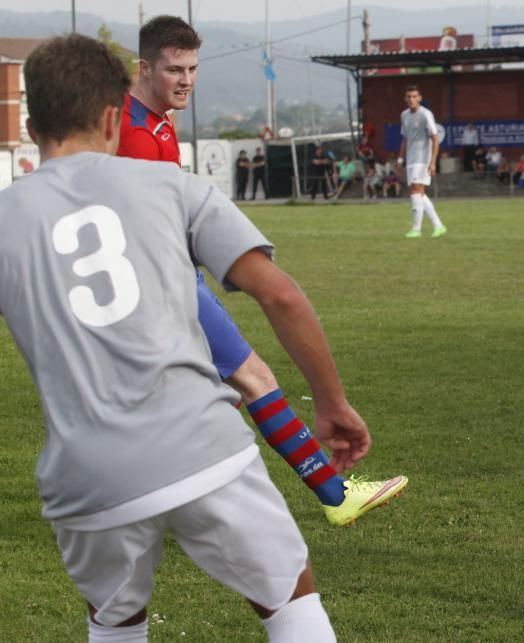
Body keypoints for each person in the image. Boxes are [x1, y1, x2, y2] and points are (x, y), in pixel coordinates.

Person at [4, 33, 365, 641]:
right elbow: (279, 294)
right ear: (112, 116)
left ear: (32, 121)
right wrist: (331, 404)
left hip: (86, 475)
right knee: (289, 601)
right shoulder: (173, 187)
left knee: (115, 623)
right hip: (203, 447)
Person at [117, 16, 406, 527]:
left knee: (212, 399)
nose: (185, 80)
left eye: (192, 69)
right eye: (173, 70)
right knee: (252, 378)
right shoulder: (137, 132)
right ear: (144, 68)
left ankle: (173, 506)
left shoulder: (151, 118)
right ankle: (334, 495)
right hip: (164, 281)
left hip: (168, 277)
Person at [398, 85, 447, 238]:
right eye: (409, 97)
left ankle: (416, 229)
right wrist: (400, 159)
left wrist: (433, 162)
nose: (411, 99)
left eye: (414, 96)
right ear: (405, 99)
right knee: (419, 192)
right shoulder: (404, 115)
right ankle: (438, 225)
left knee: (415, 191)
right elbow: (405, 138)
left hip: (422, 157)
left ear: (419, 98)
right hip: (411, 158)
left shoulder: (426, 114)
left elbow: (435, 138)